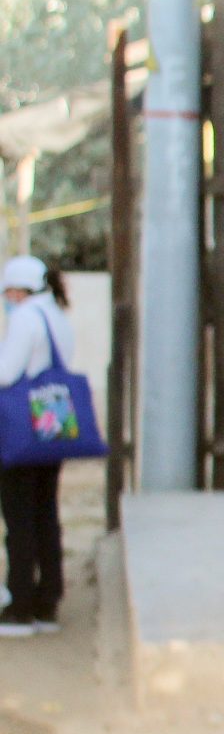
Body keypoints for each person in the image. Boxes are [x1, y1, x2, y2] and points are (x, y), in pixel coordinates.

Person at [0, 253, 75, 637]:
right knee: (45, 511)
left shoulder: (27, 317)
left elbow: (7, 372)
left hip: (22, 428)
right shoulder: (56, 316)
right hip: (52, 423)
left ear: (18, 289)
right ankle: (48, 600)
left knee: (19, 516)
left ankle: (20, 606)